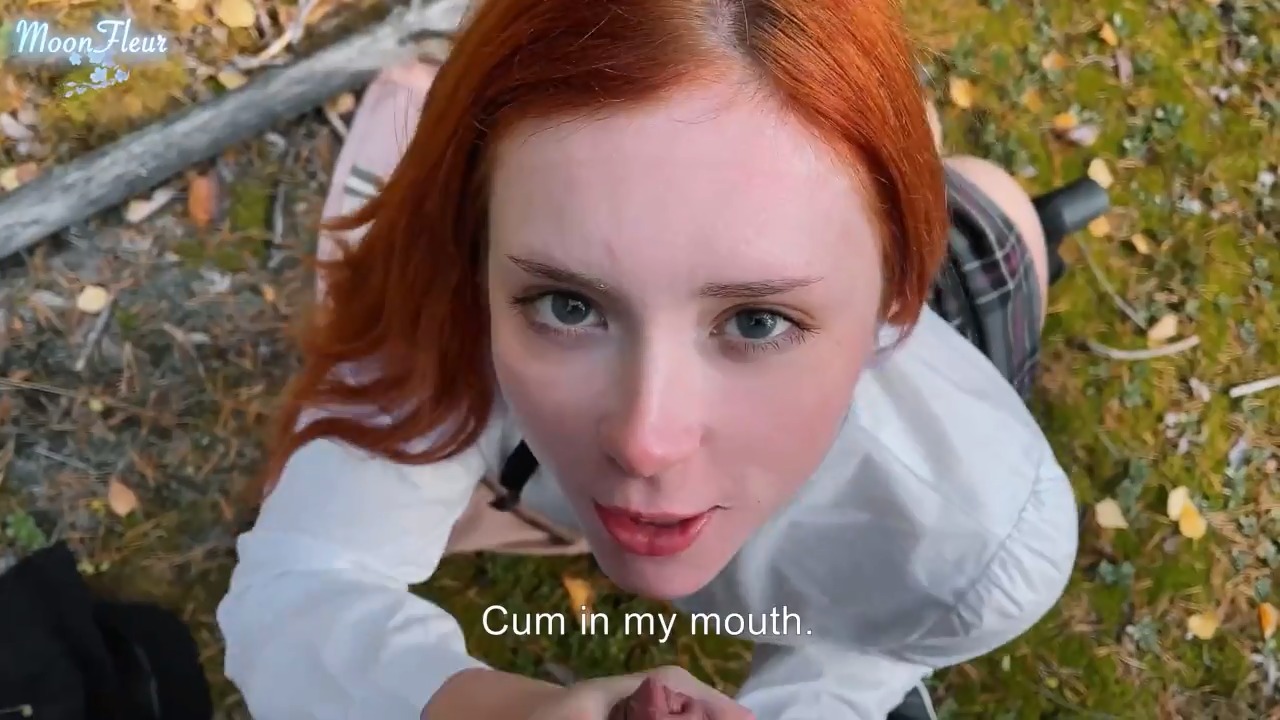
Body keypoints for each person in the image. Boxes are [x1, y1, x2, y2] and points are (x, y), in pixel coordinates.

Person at [216, 0, 1080, 718]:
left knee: (1000, 215)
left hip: (946, 287)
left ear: (896, 300)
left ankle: (986, 211)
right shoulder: (449, 293)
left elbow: (877, 643)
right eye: (568, 305)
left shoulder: (983, 538)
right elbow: (303, 584)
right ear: (476, 246)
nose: (644, 442)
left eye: (756, 322)